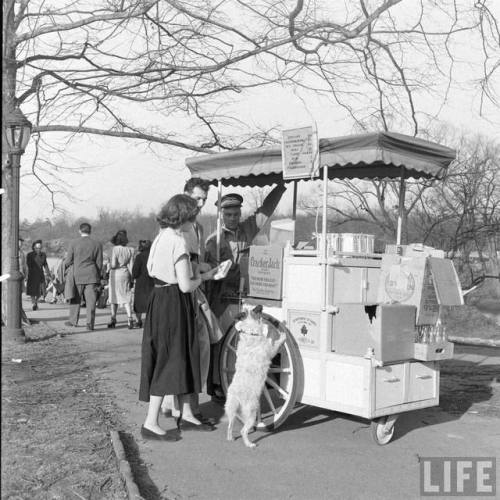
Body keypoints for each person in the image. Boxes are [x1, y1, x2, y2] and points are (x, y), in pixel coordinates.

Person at [139, 194, 217, 441]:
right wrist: (208, 276)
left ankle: (187, 415)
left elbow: (153, 270)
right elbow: (185, 285)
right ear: (184, 217)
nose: (193, 220)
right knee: (171, 360)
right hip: (175, 303)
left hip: (159, 300)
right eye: (192, 216)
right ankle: (151, 422)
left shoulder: (161, 236)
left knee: (174, 357)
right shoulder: (179, 242)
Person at [204, 182, 286, 397]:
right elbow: (212, 275)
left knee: (244, 342)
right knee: (221, 343)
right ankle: (216, 386)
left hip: (243, 296)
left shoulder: (247, 229)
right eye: (228, 214)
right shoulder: (213, 241)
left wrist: (281, 187)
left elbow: (265, 212)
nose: (232, 218)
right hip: (222, 299)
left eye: (235, 214)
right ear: (221, 215)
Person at [161, 177, 220, 423]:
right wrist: (204, 271)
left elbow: (194, 260)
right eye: (196, 198)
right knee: (191, 348)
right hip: (184, 291)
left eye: (204, 200)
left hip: (195, 289)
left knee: (199, 346)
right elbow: (179, 263)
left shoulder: (198, 227)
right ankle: (183, 407)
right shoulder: (176, 228)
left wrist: (208, 267)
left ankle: (178, 404)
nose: (200, 204)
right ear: (185, 195)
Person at [64, 222, 103, 331]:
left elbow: (68, 261)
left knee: (75, 299)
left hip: (77, 275)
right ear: (90, 231)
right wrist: (98, 276)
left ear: (80, 231)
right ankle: (90, 324)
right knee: (91, 301)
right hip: (92, 275)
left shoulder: (73, 243)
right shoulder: (97, 244)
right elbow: (99, 263)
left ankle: (73, 321)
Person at [107, 230, 135, 329]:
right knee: (126, 296)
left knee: (114, 297)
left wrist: (109, 266)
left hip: (115, 274)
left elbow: (114, 264)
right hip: (125, 274)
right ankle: (130, 318)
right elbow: (131, 266)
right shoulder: (131, 250)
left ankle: (113, 319)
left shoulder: (115, 249)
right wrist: (132, 278)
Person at [131, 239, 154, 328]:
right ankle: (150, 321)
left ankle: (138, 320)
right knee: (151, 302)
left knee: (139, 302)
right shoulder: (154, 256)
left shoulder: (139, 257)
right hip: (152, 281)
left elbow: (135, 272)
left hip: (141, 282)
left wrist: (133, 278)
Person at [26, 239, 50, 311]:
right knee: (32, 291)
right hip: (32, 274)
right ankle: (34, 303)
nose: (38, 249)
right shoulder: (30, 255)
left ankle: (36, 302)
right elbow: (28, 265)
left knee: (41, 292)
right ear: (34, 247)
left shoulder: (43, 255)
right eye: (37, 248)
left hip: (40, 274)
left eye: (40, 248)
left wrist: (48, 273)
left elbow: (45, 264)